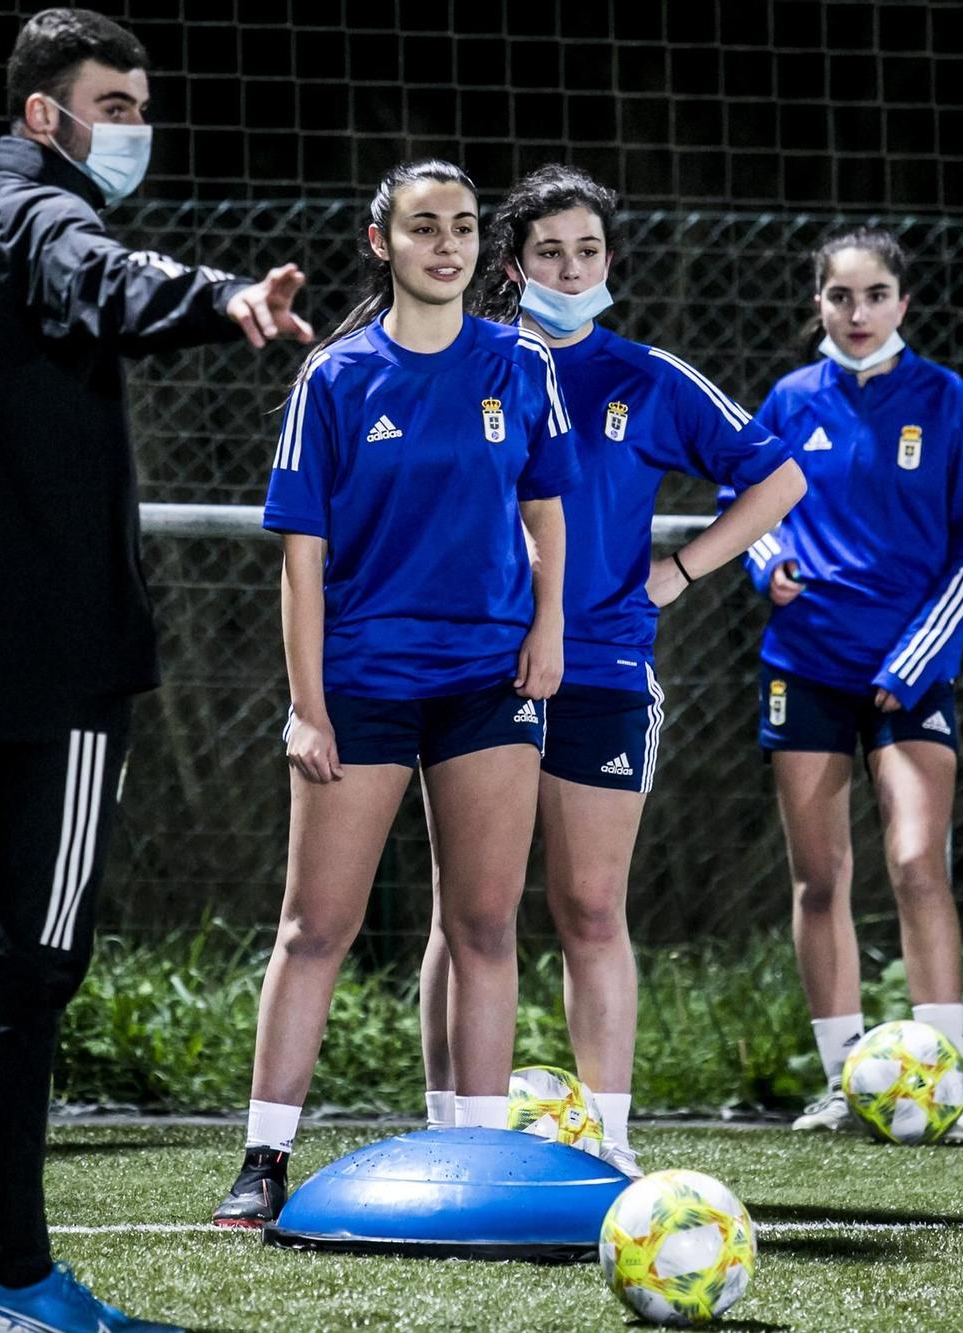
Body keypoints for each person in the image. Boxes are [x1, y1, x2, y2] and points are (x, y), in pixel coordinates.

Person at [0, 9, 315, 1328]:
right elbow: (113, 277)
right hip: (59, 665)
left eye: (139, 104)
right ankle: (22, 1279)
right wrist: (225, 299)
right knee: (33, 963)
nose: (134, 126)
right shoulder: (40, 224)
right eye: (114, 105)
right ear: (43, 117)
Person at [412, 165, 807, 1178]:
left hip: (602, 666)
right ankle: (452, 1134)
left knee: (589, 906)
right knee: (467, 910)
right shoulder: (462, 364)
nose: (570, 266)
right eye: (548, 251)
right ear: (510, 266)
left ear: (607, 261)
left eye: (586, 249)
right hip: (476, 669)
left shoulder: (647, 376)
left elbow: (779, 477)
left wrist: (678, 569)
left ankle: (612, 1143)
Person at [210, 159, 579, 1228]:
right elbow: (301, 558)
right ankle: (263, 1158)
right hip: (362, 681)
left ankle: (476, 1160)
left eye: (463, 227)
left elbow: (548, 514)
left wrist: (546, 630)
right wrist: (306, 702)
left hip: (488, 680)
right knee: (313, 927)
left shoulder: (519, 363)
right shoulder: (333, 378)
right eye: (424, 227)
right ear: (381, 242)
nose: (447, 245)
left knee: (482, 923)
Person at [732, 227, 963, 1144]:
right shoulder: (789, 398)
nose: (859, 313)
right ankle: (846, 1079)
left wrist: (917, 655)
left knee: (918, 862)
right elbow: (752, 514)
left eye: (876, 294)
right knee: (821, 877)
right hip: (805, 660)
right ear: (818, 302)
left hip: (909, 670)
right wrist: (765, 564)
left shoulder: (944, 397)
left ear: (904, 303)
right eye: (841, 296)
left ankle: (943, 1083)